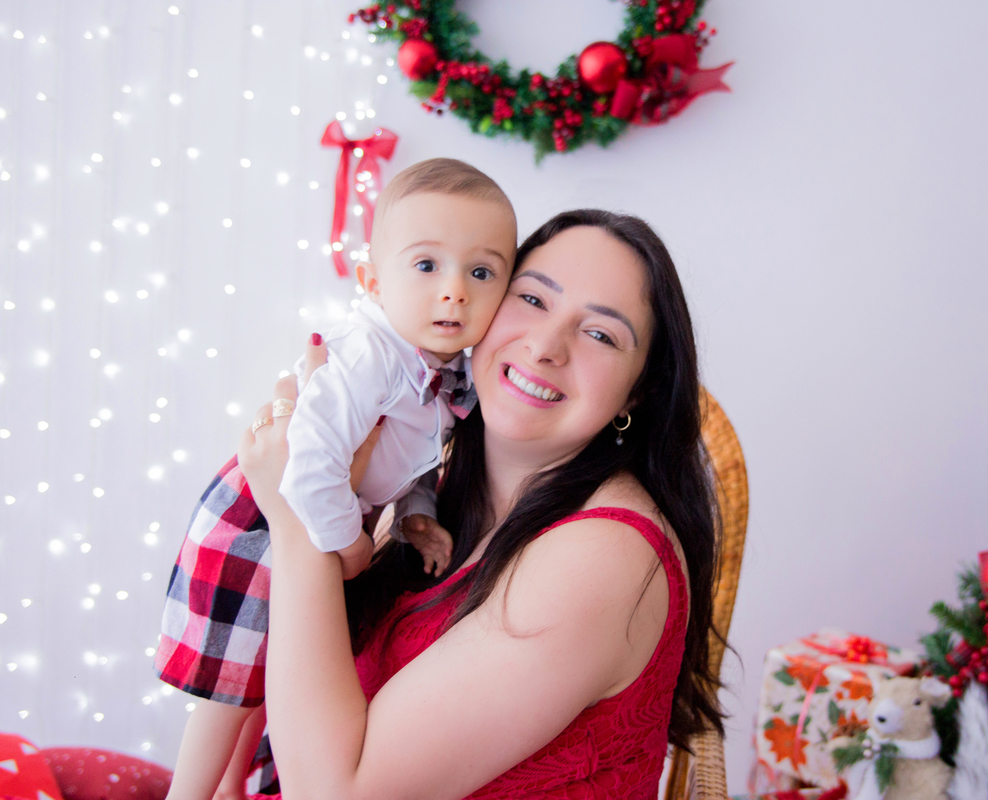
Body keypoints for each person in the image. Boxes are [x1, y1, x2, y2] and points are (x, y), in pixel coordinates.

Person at [235, 209, 725, 799]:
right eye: (533, 299)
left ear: (638, 391)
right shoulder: (437, 493)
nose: (545, 346)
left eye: (600, 334)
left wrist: (298, 516)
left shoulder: (605, 556)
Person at [156, 159, 519, 800]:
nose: (455, 291)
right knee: (228, 695)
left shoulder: (437, 374)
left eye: (481, 271)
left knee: (262, 687)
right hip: (261, 518)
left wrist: (416, 515)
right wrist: (351, 544)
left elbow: (409, 460)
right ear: (374, 282)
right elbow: (311, 463)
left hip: (309, 519)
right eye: (427, 265)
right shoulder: (368, 357)